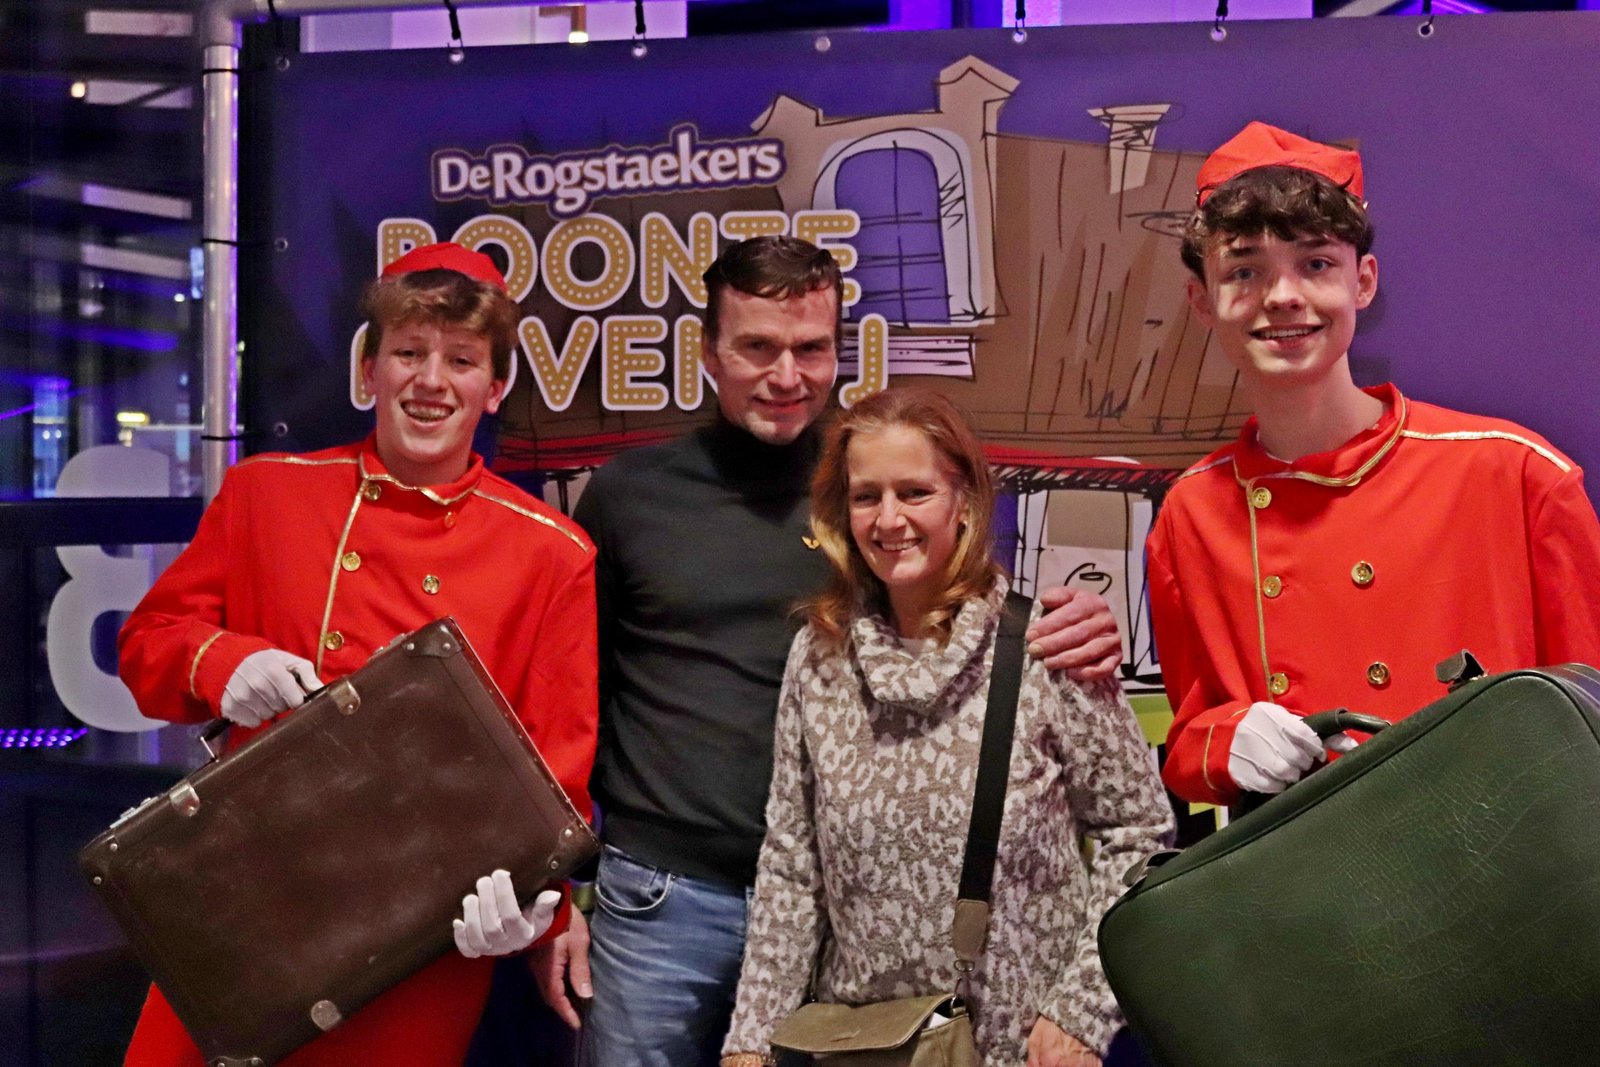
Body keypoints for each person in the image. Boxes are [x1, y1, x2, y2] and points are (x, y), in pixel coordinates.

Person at [532, 235, 1130, 1067]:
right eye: (758, 347)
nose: (786, 375)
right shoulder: (630, 495)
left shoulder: (868, 485)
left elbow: (965, 623)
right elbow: (562, 700)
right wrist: (554, 889)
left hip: (847, 915)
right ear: (709, 352)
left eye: (810, 348)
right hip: (666, 896)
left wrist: (1076, 626)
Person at [116, 242, 598, 1066]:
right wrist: (223, 662)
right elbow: (146, 646)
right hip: (238, 899)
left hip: (417, 937)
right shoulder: (267, 491)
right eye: (408, 352)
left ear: (496, 387)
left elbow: (555, 778)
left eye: (461, 360)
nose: (431, 380)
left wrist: (533, 908)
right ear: (368, 369)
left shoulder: (551, 553)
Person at [718, 387, 1175, 1067]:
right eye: (867, 496)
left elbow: (1137, 833)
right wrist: (751, 1042)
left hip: (1019, 1049)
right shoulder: (820, 657)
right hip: (861, 1049)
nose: (889, 518)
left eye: (915, 492)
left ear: (964, 501)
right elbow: (791, 866)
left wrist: (1081, 1011)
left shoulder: (1048, 646)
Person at [1148, 121, 1600, 807]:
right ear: (1202, 301)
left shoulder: (1516, 474)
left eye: (1315, 264)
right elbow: (1189, 735)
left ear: (1363, 281)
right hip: (1307, 861)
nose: (1283, 296)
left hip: (1494, 854)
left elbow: (1590, 715)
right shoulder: (1191, 512)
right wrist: (1226, 738)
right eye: (1244, 270)